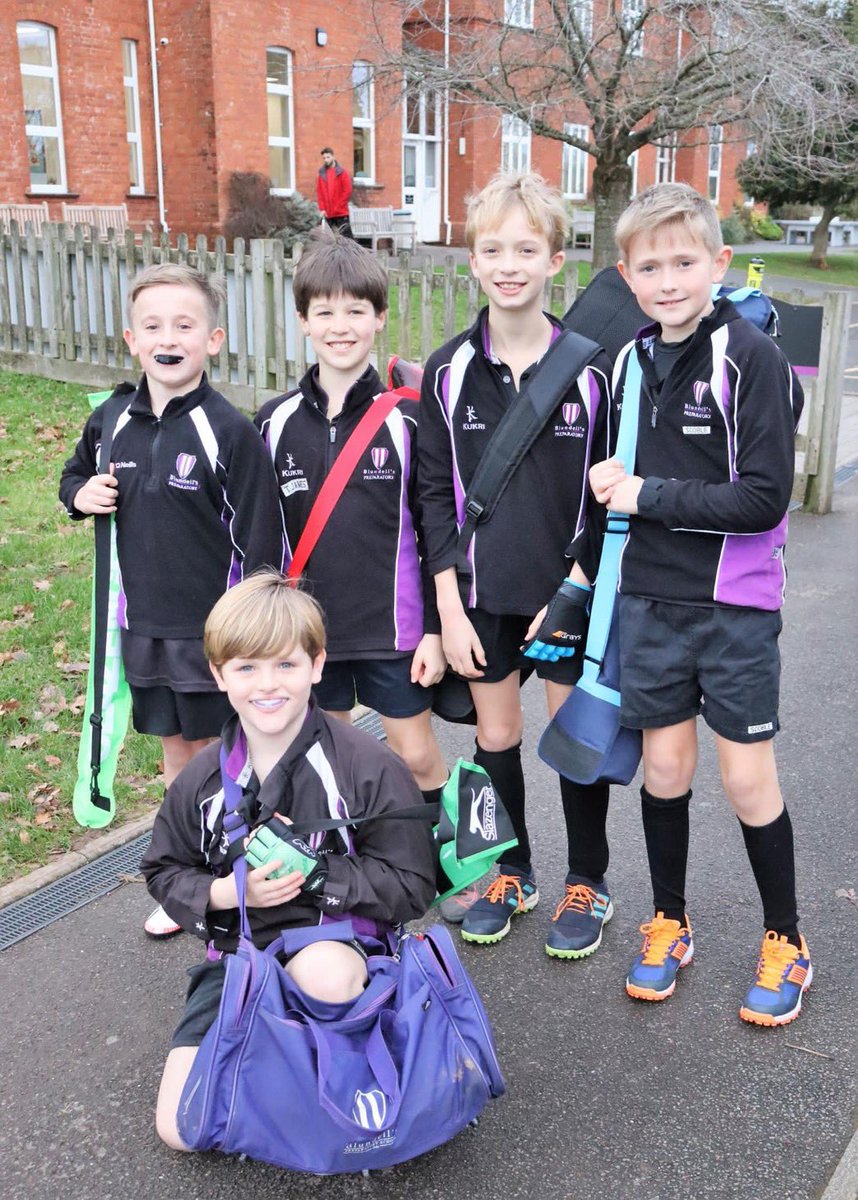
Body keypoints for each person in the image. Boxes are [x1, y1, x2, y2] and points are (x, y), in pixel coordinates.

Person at [590, 181, 810, 1026]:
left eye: (685, 261)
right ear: (627, 274)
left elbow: (762, 499)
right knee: (666, 769)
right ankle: (670, 924)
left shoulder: (751, 357)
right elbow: (613, 483)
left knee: (746, 777)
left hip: (735, 607)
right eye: (651, 265)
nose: (669, 278)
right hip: (649, 599)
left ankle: (786, 940)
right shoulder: (629, 359)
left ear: (718, 263)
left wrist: (646, 494)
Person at [140, 570, 436, 1150]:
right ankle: (292, 1080)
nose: (267, 685)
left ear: (317, 666)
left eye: (285, 665)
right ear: (219, 674)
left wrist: (317, 874)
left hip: (339, 946)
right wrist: (227, 895)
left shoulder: (367, 765)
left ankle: (359, 1060)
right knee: (179, 1129)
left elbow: (413, 887)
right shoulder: (201, 778)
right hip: (240, 960)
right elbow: (162, 868)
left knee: (325, 978)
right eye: (246, 668)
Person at [417, 173, 615, 954]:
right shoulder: (447, 370)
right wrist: (448, 606)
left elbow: (608, 500)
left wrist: (577, 586)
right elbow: (432, 496)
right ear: (471, 261)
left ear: (555, 261)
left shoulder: (598, 373)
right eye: (492, 248)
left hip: (567, 592)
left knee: (571, 736)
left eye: (526, 249)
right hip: (481, 595)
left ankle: (587, 881)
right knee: (495, 733)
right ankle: (514, 870)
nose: (509, 264)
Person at [59, 263, 284, 938]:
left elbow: (262, 541)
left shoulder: (229, 431)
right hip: (145, 631)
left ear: (213, 338)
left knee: (236, 760)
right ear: (132, 339)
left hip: (215, 639)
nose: (168, 337)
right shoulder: (110, 422)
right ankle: (192, 884)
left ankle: (256, 882)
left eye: (184, 325)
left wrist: (251, 640)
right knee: (177, 764)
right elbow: (75, 472)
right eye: (153, 326)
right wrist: (78, 494)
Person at [254, 228, 448, 811]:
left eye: (356, 311)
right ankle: (339, 873)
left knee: (413, 755)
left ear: (380, 317)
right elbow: (259, 531)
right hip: (308, 629)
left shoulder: (411, 419)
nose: (341, 326)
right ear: (303, 321)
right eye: (325, 312)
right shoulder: (273, 422)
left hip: (396, 627)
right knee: (323, 753)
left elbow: (436, 526)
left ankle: (439, 870)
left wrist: (436, 629)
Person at [316, 147, 353, 237]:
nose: (326, 160)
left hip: (341, 212)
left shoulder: (342, 173)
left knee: (347, 238)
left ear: (333, 157)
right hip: (328, 214)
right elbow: (320, 193)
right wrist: (322, 209)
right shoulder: (322, 175)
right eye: (324, 158)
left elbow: (347, 191)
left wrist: (339, 206)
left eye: (328, 157)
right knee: (327, 240)